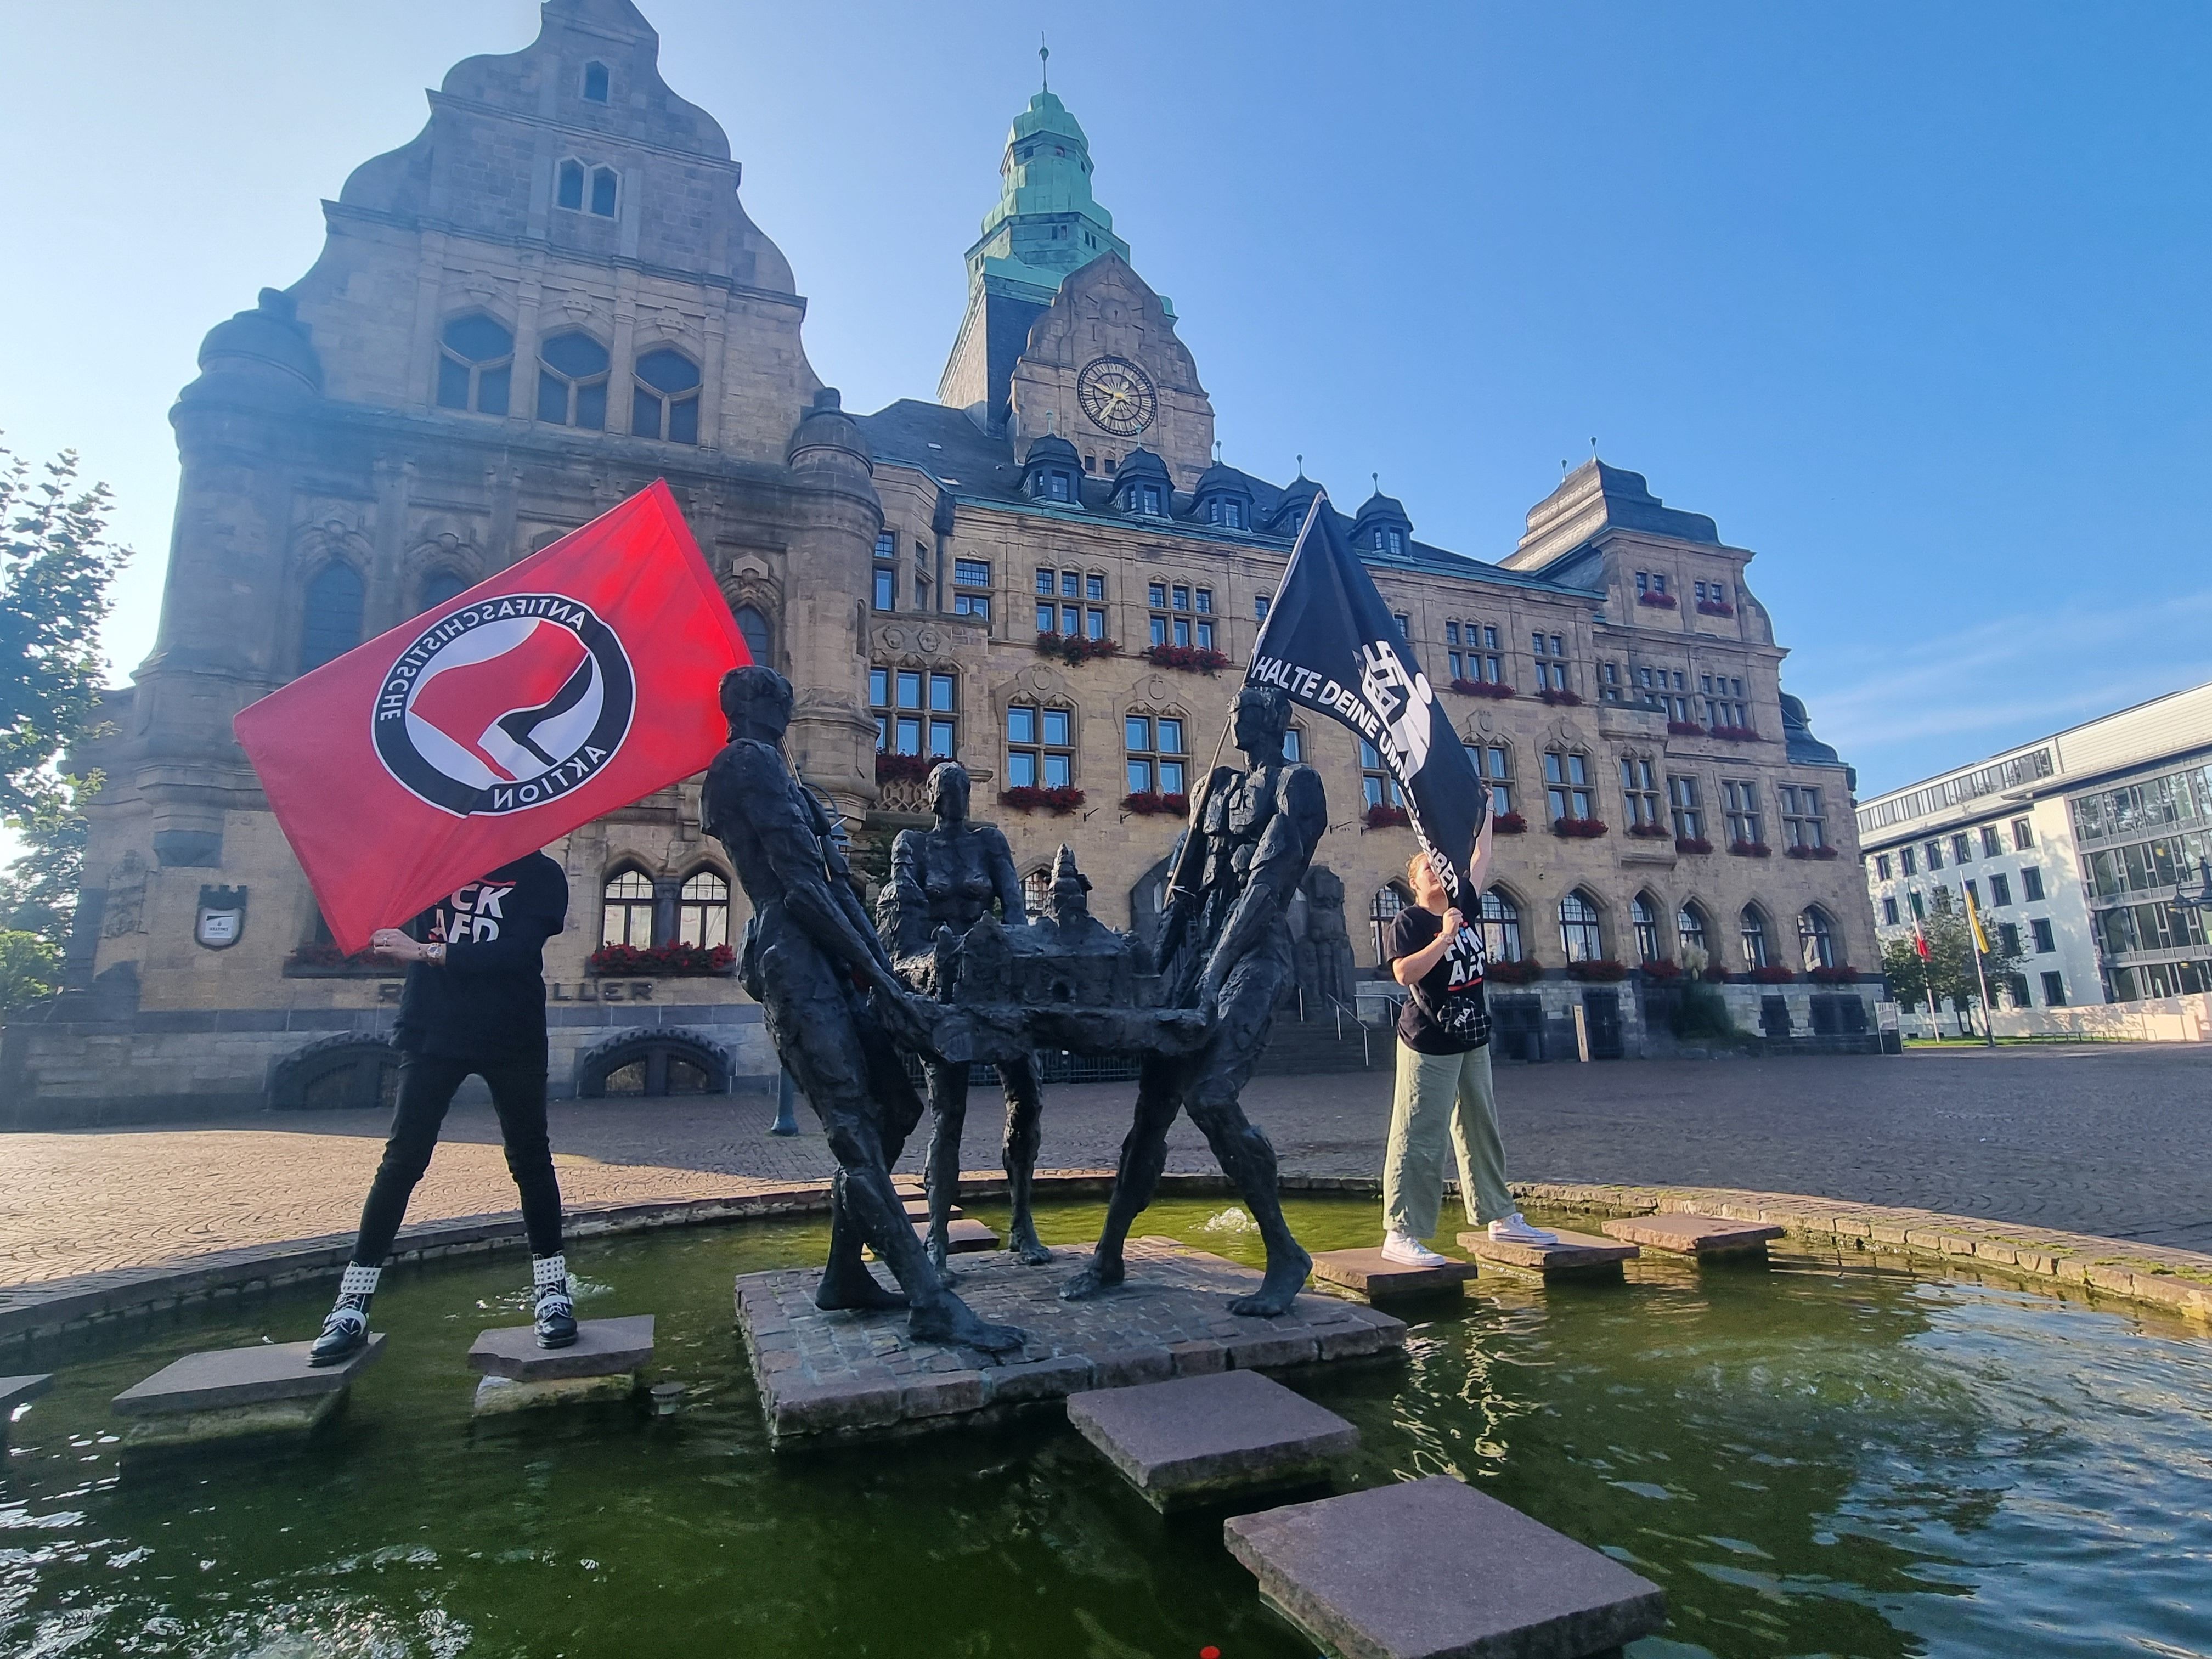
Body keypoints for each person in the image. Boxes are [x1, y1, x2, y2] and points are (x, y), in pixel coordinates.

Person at [703, 665, 1023, 1352]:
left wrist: (876, 970)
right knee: (852, 1128)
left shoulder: (784, 771)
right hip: (795, 954)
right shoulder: (746, 763)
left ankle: (845, 1273)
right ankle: (930, 1302)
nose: (792, 701)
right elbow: (798, 889)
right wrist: (877, 971)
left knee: (897, 1107)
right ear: (759, 704)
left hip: (832, 954)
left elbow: (835, 883)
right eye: (779, 694)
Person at [1060, 686, 1321, 1317]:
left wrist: (1214, 976)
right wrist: (1152, 972)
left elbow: (1266, 888)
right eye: (1235, 707)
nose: (1236, 714)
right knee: (1151, 1112)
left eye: (1249, 706)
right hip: (1199, 959)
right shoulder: (1216, 789)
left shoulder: (1298, 784)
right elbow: (1181, 895)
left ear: (1275, 717)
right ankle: (1109, 1255)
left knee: (1209, 1096)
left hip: (1256, 958)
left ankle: (1284, 1253)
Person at [307, 851, 576, 1365]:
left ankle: (552, 1291)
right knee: (403, 1159)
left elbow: (515, 954)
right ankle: (352, 1302)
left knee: (530, 1159)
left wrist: (424, 951)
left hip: (511, 1032)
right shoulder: (432, 866)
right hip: (434, 1029)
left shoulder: (542, 875)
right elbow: (371, 888)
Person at [878, 761, 1050, 1270]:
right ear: (931, 796)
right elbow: (903, 911)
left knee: (1028, 1100)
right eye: (944, 787)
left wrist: (1020, 955)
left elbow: (1015, 909)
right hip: (943, 990)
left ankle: (1023, 1222)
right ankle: (936, 1238)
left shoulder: (989, 842)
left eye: (961, 787)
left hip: (996, 982)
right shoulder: (911, 844)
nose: (954, 795)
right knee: (947, 1113)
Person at [1379, 821, 1556, 1265]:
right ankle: (1401, 1231)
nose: (1439, 874)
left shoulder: (1466, 905)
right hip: (1428, 1040)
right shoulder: (1411, 921)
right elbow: (1404, 974)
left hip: (1472, 1037)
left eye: (1442, 868)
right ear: (1414, 882)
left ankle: (1500, 1216)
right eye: (1428, 869)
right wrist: (1444, 937)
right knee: (1419, 1133)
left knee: (1481, 1128)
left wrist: (1485, 811)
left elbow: (1481, 858)